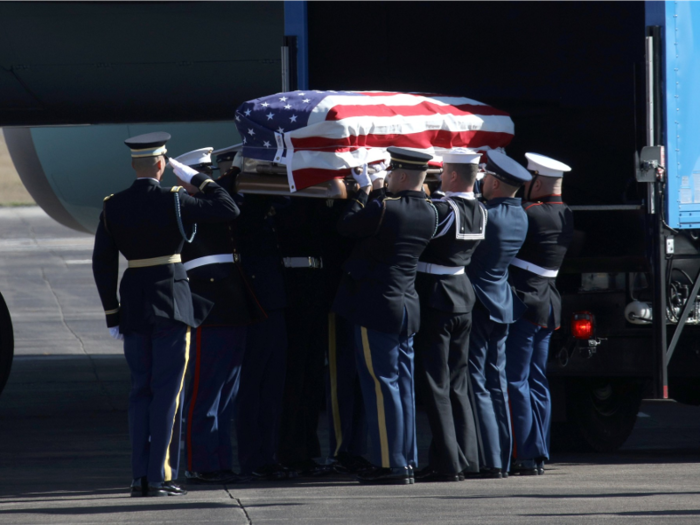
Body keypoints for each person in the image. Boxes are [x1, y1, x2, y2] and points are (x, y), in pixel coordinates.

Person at [91, 132, 239, 497]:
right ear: (161, 163)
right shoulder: (174, 200)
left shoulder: (113, 205)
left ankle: (138, 477)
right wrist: (197, 177)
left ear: (133, 164)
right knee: (168, 393)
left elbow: (103, 264)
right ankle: (161, 475)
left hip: (134, 303)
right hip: (172, 302)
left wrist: (112, 313)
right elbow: (228, 207)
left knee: (140, 391)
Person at [332, 147, 438, 485]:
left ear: (402, 175)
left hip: (377, 305)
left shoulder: (385, 207)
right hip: (407, 305)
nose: (388, 176)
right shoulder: (430, 211)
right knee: (402, 387)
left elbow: (347, 226)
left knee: (381, 386)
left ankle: (388, 463)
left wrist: (365, 191)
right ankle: (405, 459)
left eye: (391, 172)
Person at [172, 147, 265, 485]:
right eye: (203, 175)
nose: (211, 179)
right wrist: (205, 183)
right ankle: (201, 462)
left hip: (232, 305)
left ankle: (220, 460)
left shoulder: (214, 201)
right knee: (205, 390)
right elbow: (224, 205)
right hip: (208, 305)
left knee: (226, 391)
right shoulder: (184, 203)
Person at [413, 148, 486, 482]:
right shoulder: (481, 209)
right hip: (462, 296)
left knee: (436, 384)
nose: (439, 176)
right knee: (458, 384)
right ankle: (466, 458)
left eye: (442, 172)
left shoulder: (442, 210)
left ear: (453, 175)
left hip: (437, 297)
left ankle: (447, 463)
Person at [224, 151, 297, 481]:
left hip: (274, 302)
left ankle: (266, 455)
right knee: (253, 387)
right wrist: (236, 174)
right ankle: (253, 458)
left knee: (273, 386)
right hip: (254, 304)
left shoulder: (264, 202)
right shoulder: (236, 205)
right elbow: (242, 214)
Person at [505, 153, 574, 475]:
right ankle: (540, 450)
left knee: (516, 380)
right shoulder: (565, 212)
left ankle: (524, 453)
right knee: (537, 380)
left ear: (538, 182)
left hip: (525, 302)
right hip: (547, 304)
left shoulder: (530, 213)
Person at [466, 150, 530, 479]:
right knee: (498, 383)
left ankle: (489, 459)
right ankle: (502, 457)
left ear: (493, 181)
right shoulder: (520, 215)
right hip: (502, 305)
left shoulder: (486, 214)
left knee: (477, 381)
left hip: (479, 304)